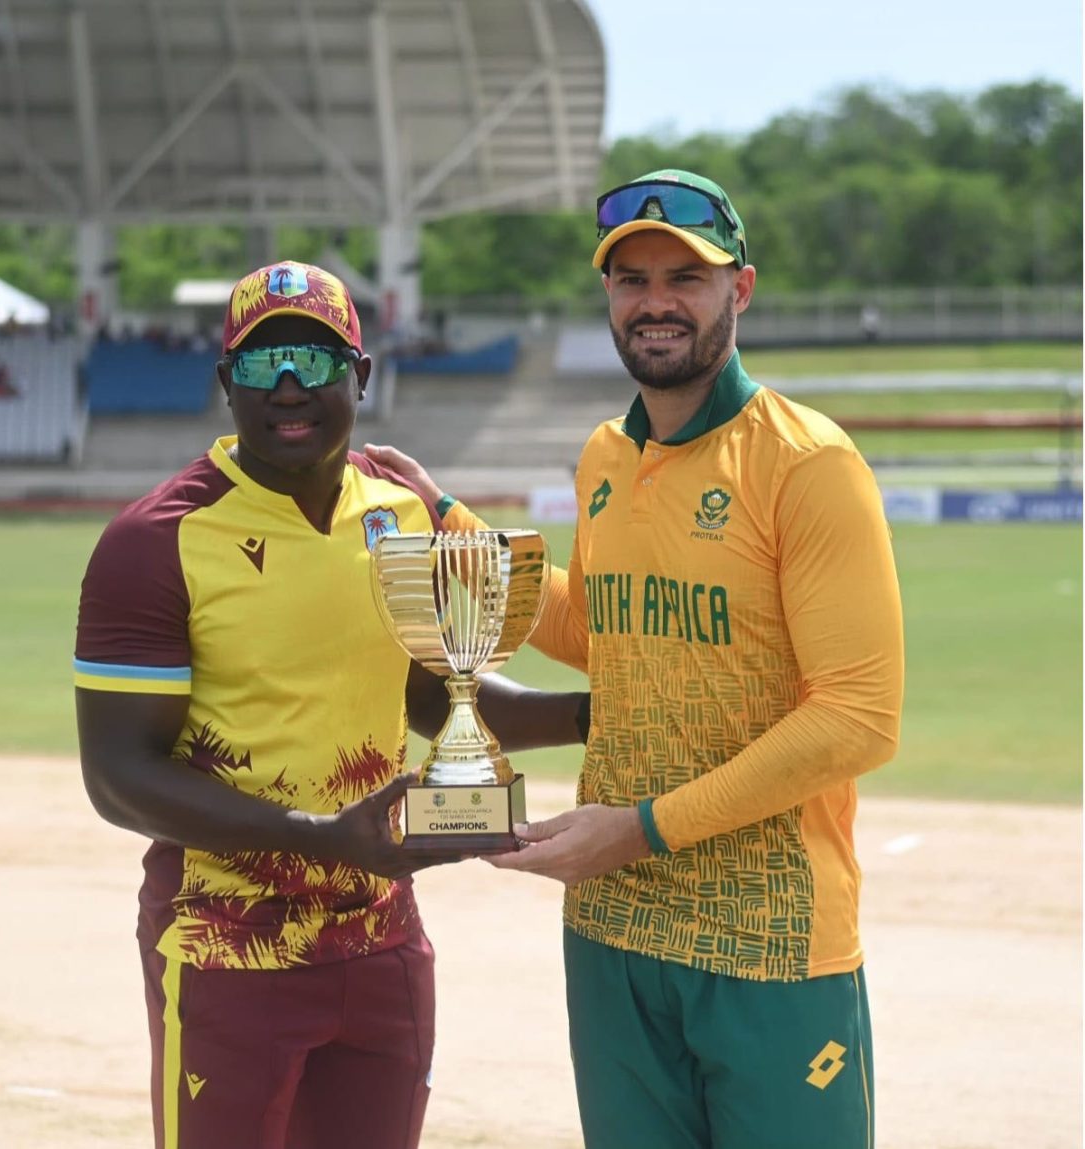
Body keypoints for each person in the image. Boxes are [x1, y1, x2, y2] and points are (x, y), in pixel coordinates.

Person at [366, 169, 905, 1149]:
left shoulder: (807, 464)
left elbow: (857, 718)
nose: (655, 301)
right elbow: (603, 632)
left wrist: (644, 830)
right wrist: (453, 527)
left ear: (738, 289)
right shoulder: (606, 457)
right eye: (631, 280)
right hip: (613, 933)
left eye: (684, 278)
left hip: (769, 945)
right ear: (608, 296)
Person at [73, 259, 587, 1149]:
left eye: (311, 361)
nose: (285, 387)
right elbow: (118, 775)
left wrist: (593, 716)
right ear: (225, 381)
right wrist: (313, 834)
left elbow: (438, 693)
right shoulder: (155, 542)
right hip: (227, 945)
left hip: (382, 939)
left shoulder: (399, 516)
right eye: (259, 364)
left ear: (362, 374)